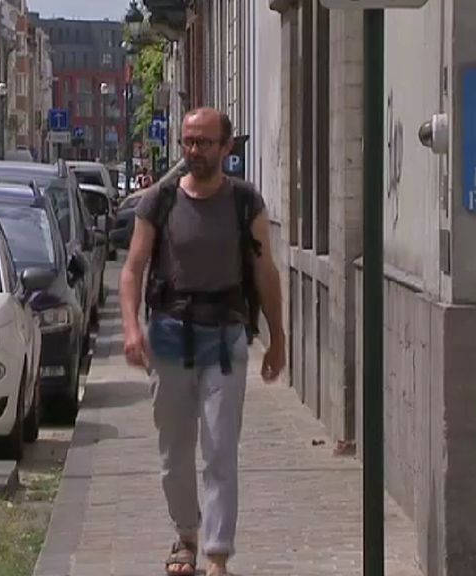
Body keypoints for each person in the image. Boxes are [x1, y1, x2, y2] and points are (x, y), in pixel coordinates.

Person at [119, 107, 286, 576]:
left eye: (205, 142)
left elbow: (265, 271)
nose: (195, 151)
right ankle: (186, 534)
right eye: (189, 142)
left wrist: (278, 337)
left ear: (226, 147)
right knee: (175, 451)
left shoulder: (245, 202)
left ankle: (216, 554)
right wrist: (131, 328)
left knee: (220, 448)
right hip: (169, 335)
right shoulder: (160, 200)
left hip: (226, 336)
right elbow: (133, 268)